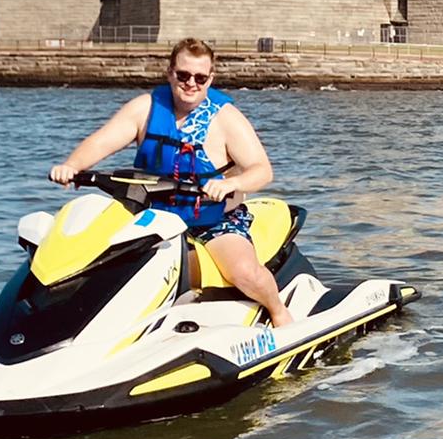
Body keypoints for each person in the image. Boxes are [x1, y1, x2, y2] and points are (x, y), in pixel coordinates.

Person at [49, 38, 292, 329]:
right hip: (151, 216)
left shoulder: (226, 119)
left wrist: (230, 184)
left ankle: (279, 313)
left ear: (210, 79)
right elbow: (102, 141)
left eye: (200, 78)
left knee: (242, 272)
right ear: (170, 73)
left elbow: (262, 171)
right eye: (184, 75)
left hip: (212, 220)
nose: (191, 83)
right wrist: (72, 166)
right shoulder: (145, 109)